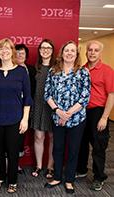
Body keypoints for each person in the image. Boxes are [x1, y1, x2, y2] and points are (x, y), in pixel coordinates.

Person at [0, 38, 32, 193]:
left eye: (7, 48)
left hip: (15, 119)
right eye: (1, 49)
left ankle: (12, 180)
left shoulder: (21, 71)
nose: (4, 51)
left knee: (12, 152)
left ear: (12, 52)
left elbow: (28, 98)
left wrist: (25, 119)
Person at [44, 41, 90, 194]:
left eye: (72, 51)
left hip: (77, 118)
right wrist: (58, 111)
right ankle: (57, 176)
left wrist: (68, 114)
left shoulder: (83, 72)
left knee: (73, 150)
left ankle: (69, 180)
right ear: (62, 53)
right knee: (58, 148)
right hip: (58, 117)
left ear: (76, 54)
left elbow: (85, 97)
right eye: (66, 51)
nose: (69, 53)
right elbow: (47, 94)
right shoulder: (53, 71)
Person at [76, 40, 114, 191]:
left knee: (98, 146)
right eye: (90, 50)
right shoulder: (82, 69)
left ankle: (99, 177)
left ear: (100, 53)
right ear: (86, 52)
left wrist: (105, 117)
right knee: (81, 143)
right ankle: (82, 169)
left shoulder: (107, 70)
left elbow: (111, 95)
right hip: (81, 110)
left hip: (98, 111)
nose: (92, 52)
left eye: (96, 50)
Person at [30, 39, 55, 179]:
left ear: (52, 51)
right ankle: (39, 166)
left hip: (53, 107)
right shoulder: (35, 68)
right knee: (39, 136)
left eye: (48, 48)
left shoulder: (57, 67)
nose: (45, 50)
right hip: (38, 105)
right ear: (39, 51)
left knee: (52, 137)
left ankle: (50, 167)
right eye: (43, 48)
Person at [15, 43, 36, 173]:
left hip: (27, 108)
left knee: (21, 137)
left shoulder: (32, 70)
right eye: (17, 53)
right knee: (10, 136)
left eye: (22, 53)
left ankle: (16, 163)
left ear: (26, 55)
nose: (19, 55)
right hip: (12, 108)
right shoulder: (9, 68)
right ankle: (7, 163)